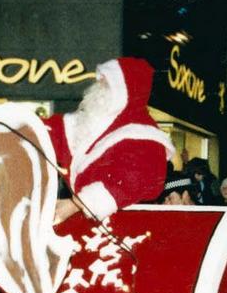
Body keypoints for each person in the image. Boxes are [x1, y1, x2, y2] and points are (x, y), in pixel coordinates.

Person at [44, 57, 175, 223]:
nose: (97, 88)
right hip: (91, 226)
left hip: (129, 230)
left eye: (106, 84)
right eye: (100, 81)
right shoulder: (96, 123)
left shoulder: (144, 136)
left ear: (125, 91)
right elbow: (56, 131)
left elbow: (129, 181)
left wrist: (74, 204)